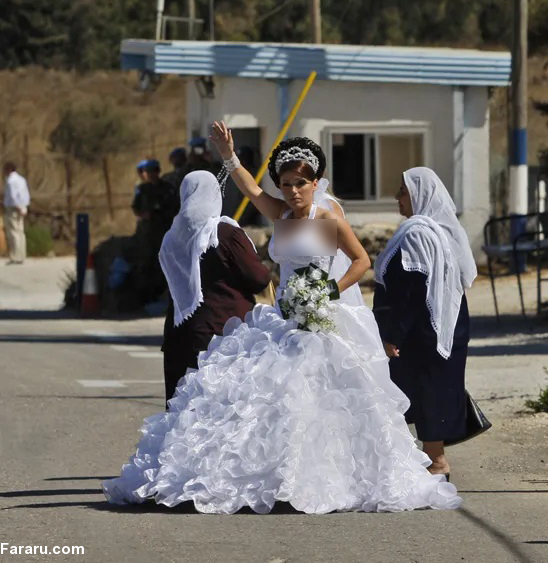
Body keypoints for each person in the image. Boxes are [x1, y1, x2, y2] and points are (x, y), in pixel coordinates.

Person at [103, 122, 459, 514]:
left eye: (300, 184)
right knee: (264, 394)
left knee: (321, 398)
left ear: (315, 183)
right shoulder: (282, 216)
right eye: (286, 183)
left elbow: (361, 261)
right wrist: (229, 156)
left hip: (323, 319)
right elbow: (252, 190)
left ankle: (328, 476)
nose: (292, 191)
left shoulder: (326, 219)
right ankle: (272, 475)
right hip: (286, 316)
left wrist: (330, 292)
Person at [373, 167, 477, 480]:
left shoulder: (419, 233)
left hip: (423, 332)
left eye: (403, 191)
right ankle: (428, 458)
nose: (397, 197)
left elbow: (413, 289)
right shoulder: (435, 230)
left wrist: (394, 334)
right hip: (438, 326)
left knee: (422, 391)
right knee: (427, 390)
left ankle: (437, 463)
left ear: (421, 195)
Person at [158, 171, 272, 404]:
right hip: (223, 331)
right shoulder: (224, 232)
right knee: (217, 409)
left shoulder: (172, 235)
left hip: (179, 333)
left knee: (183, 408)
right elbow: (258, 278)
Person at [132, 160, 179, 304]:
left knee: (165, 265)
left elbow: (174, 208)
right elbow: (136, 207)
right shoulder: (143, 189)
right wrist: (145, 215)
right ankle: (147, 297)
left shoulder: (168, 188)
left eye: (153, 171)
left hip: (165, 230)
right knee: (147, 264)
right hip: (148, 233)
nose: (150, 175)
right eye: (148, 172)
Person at [2, 162, 30, 265]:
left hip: (13, 208)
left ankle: (15, 256)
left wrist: (18, 207)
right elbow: (26, 194)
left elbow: (13, 196)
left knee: (13, 233)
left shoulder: (10, 181)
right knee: (20, 232)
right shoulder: (22, 180)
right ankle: (22, 255)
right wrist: (24, 207)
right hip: (22, 206)